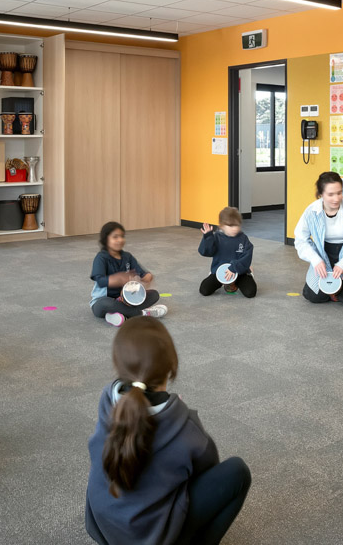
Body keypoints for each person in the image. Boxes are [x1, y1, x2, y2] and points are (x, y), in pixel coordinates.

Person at [85, 316, 251, 545]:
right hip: (153, 537)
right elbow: (207, 472)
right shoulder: (185, 425)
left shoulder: (108, 398)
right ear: (171, 370)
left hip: (104, 526)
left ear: (118, 365)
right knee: (237, 472)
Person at [294, 172, 343, 306]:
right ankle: (330, 288)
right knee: (315, 297)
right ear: (321, 194)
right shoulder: (311, 212)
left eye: (339, 193)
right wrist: (316, 260)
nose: (336, 198)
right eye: (330, 194)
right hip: (324, 255)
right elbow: (301, 239)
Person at [90, 221, 168, 327]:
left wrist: (147, 276)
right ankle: (143, 313)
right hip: (102, 302)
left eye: (122, 236)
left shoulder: (127, 257)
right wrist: (116, 279)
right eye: (115, 237)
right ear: (106, 239)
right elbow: (100, 281)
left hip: (125, 300)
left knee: (154, 294)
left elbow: (142, 272)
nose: (120, 240)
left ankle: (117, 316)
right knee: (106, 303)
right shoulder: (101, 258)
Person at [198, 206, 256, 298]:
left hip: (239, 271)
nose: (234, 228)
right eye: (230, 226)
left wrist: (234, 268)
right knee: (204, 290)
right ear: (222, 226)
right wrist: (208, 237)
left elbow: (247, 256)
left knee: (250, 293)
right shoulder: (217, 237)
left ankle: (249, 273)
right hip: (221, 271)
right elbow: (205, 252)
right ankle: (221, 279)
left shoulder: (243, 238)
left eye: (236, 225)